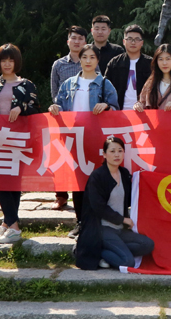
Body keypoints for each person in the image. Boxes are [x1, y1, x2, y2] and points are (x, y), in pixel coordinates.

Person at [50, 44, 120, 238]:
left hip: (97, 139)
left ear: (98, 60)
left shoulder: (105, 84)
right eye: (84, 57)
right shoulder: (69, 84)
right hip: (75, 139)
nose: (88, 61)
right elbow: (60, 106)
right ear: (79, 59)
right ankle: (81, 222)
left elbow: (116, 109)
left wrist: (107, 106)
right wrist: (55, 108)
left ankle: (99, 222)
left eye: (92, 57)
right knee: (78, 182)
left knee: (98, 181)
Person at [0, 43, 41, 244]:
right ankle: (10, 222)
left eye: (11, 60)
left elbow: (37, 111)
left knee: (14, 181)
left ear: (17, 62)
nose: (7, 64)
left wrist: (22, 108)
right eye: (3, 60)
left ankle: (10, 224)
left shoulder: (27, 85)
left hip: (19, 140)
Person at [74, 136, 155, 270]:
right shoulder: (97, 176)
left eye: (120, 151)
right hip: (102, 229)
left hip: (120, 229)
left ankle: (104, 250)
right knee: (128, 262)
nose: (117, 155)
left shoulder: (124, 173)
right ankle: (97, 252)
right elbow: (99, 207)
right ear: (104, 154)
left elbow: (131, 199)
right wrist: (122, 219)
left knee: (148, 245)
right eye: (112, 151)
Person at [50, 25, 88, 210]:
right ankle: (61, 196)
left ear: (85, 42)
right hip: (64, 118)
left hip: (86, 119)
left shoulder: (90, 61)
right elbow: (54, 92)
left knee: (82, 157)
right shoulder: (58, 65)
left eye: (80, 38)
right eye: (74, 38)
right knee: (62, 156)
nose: (77, 41)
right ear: (68, 41)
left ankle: (83, 194)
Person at [104, 24, 152, 112]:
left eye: (137, 39)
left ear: (142, 43)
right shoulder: (114, 63)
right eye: (129, 39)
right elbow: (106, 88)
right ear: (124, 41)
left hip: (144, 112)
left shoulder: (150, 64)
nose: (133, 42)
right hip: (119, 112)